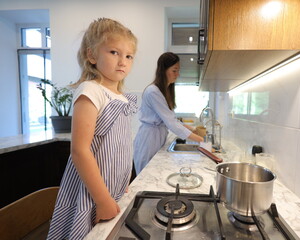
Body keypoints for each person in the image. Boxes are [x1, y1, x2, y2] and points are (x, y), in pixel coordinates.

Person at [47, 18, 138, 240]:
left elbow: (119, 146)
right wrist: (102, 200)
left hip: (111, 189)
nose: (122, 61)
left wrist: (122, 180)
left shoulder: (121, 97)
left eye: (128, 56)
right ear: (92, 55)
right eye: (114, 52)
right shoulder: (91, 90)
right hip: (91, 193)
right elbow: (80, 151)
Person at [133, 52, 204, 175]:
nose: (178, 74)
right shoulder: (153, 91)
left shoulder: (163, 91)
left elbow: (173, 119)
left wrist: (193, 130)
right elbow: (171, 123)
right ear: (163, 70)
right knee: (146, 175)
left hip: (157, 135)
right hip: (149, 138)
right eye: (174, 70)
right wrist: (201, 140)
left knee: (153, 173)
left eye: (178, 71)